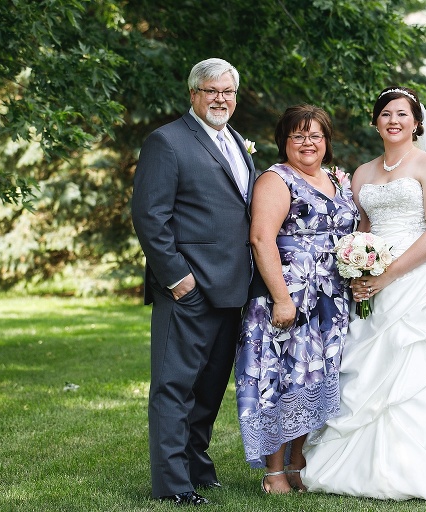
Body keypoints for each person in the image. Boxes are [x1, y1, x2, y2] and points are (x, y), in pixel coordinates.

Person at [301, 87, 426, 500]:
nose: (393, 121)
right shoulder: (363, 173)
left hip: (416, 281)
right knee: (367, 366)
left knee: (417, 366)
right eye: (385, 114)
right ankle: (354, 464)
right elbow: (362, 230)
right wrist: (357, 265)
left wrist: (388, 275)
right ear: (376, 122)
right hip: (372, 281)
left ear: (416, 122)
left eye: (402, 114)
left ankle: (424, 464)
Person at [131, 58, 256, 505]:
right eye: (211, 91)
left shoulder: (236, 141)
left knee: (208, 389)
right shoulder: (166, 141)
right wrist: (177, 278)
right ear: (193, 94)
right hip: (188, 289)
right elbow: (150, 216)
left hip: (231, 288)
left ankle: (197, 467)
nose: (220, 99)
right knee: (174, 387)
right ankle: (172, 485)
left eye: (228, 91)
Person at [234, 104, 359, 494]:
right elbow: (261, 238)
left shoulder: (337, 179)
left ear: (327, 141)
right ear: (284, 141)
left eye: (315, 135)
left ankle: (297, 463)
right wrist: (282, 299)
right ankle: (274, 472)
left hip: (330, 300)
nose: (308, 143)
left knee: (313, 376)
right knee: (282, 377)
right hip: (289, 295)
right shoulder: (276, 179)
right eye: (298, 135)